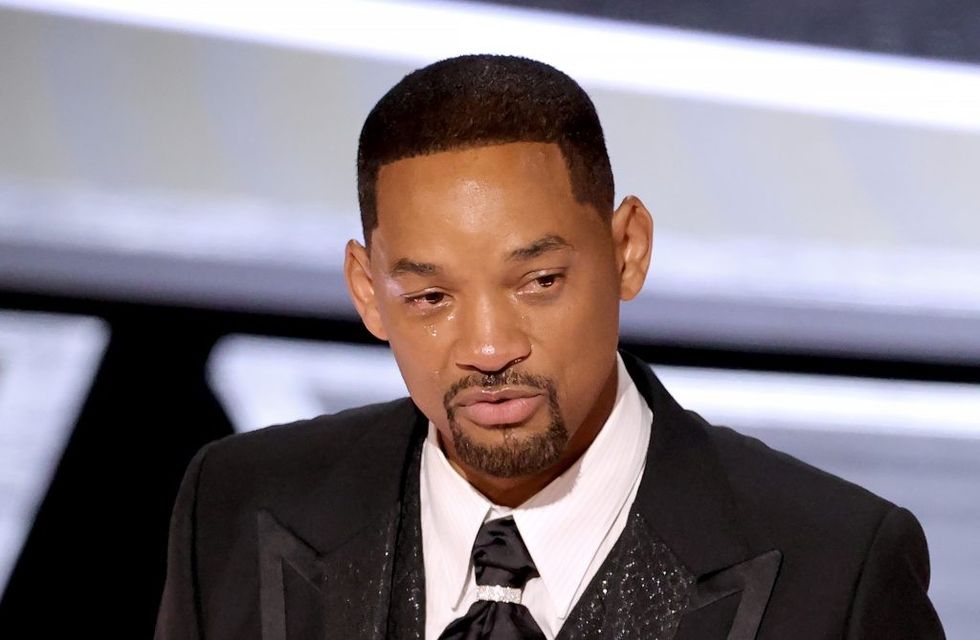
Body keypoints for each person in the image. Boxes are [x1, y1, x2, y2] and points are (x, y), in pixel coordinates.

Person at [155, 54, 944, 639]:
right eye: (431, 298)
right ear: (368, 292)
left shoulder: (838, 567)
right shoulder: (237, 504)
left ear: (627, 250)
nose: (490, 348)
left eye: (538, 282)